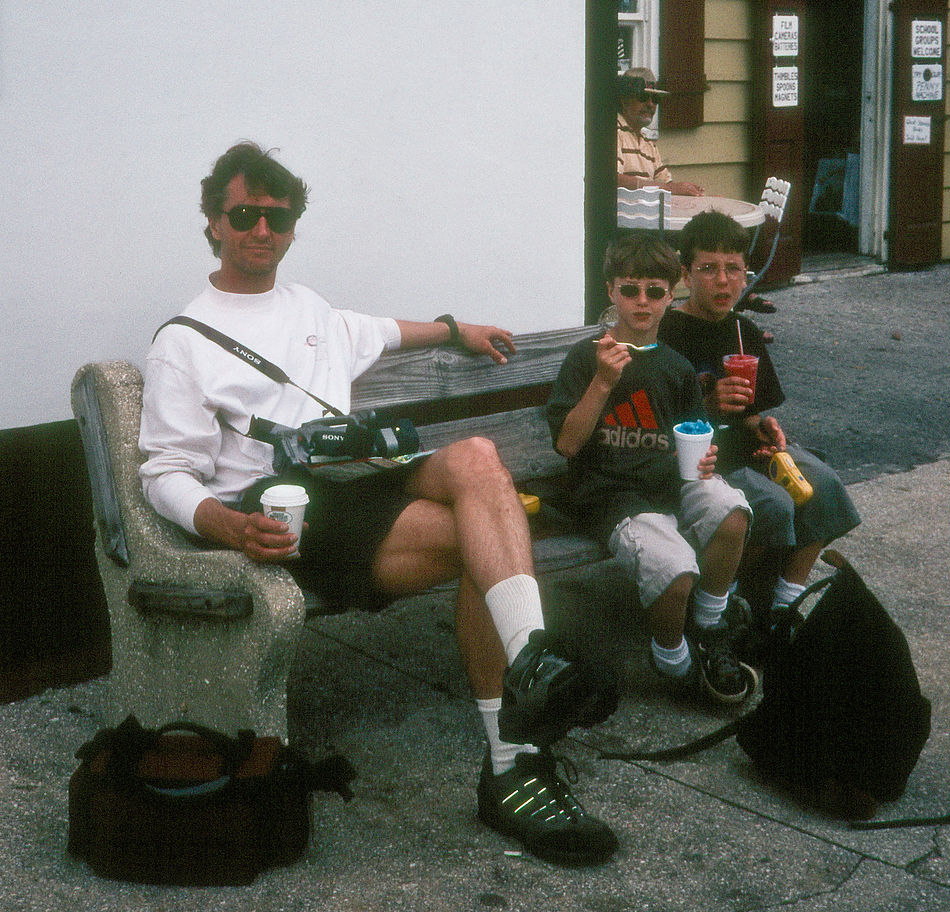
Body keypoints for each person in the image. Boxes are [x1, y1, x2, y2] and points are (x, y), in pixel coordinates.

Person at [139, 142, 618, 867]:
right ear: (212, 222)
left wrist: (457, 329)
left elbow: (390, 331)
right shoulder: (184, 341)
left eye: (279, 216)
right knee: (482, 533)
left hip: (363, 478)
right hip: (290, 507)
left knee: (480, 460)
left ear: (294, 225)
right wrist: (228, 525)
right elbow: (165, 471)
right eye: (244, 215)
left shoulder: (309, 309)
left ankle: (528, 663)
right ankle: (512, 763)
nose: (261, 230)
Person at [544, 232, 757, 709]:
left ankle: (708, 625)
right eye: (630, 290)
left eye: (655, 291)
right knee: (675, 568)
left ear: (670, 295)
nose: (642, 302)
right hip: (611, 497)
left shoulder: (676, 367)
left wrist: (704, 459)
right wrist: (603, 381)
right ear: (611, 293)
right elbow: (567, 444)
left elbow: (692, 433)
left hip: (670, 486)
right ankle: (674, 661)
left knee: (731, 510)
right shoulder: (587, 358)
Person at [659, 211, 860, 633]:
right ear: (685, 274)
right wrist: (708, 404)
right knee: (774, 503)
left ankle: (785, 604)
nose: (722, 281)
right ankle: (723, 598)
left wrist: (761, 425)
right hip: (704, 461)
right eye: (708, 269)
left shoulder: (742, 331)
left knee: (821, 484)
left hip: (745, 446)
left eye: (734, 269)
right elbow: (659, 418)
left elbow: (750, 412)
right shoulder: (668, 331)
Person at [616, 66, 704, 196]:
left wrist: (689, 190)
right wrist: (670, 189)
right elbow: (614, 180)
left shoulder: (648, 144)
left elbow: (665, 184)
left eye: (655, 99)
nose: (650, 104)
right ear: (624, 101)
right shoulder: (612, 132)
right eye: (643, 96)